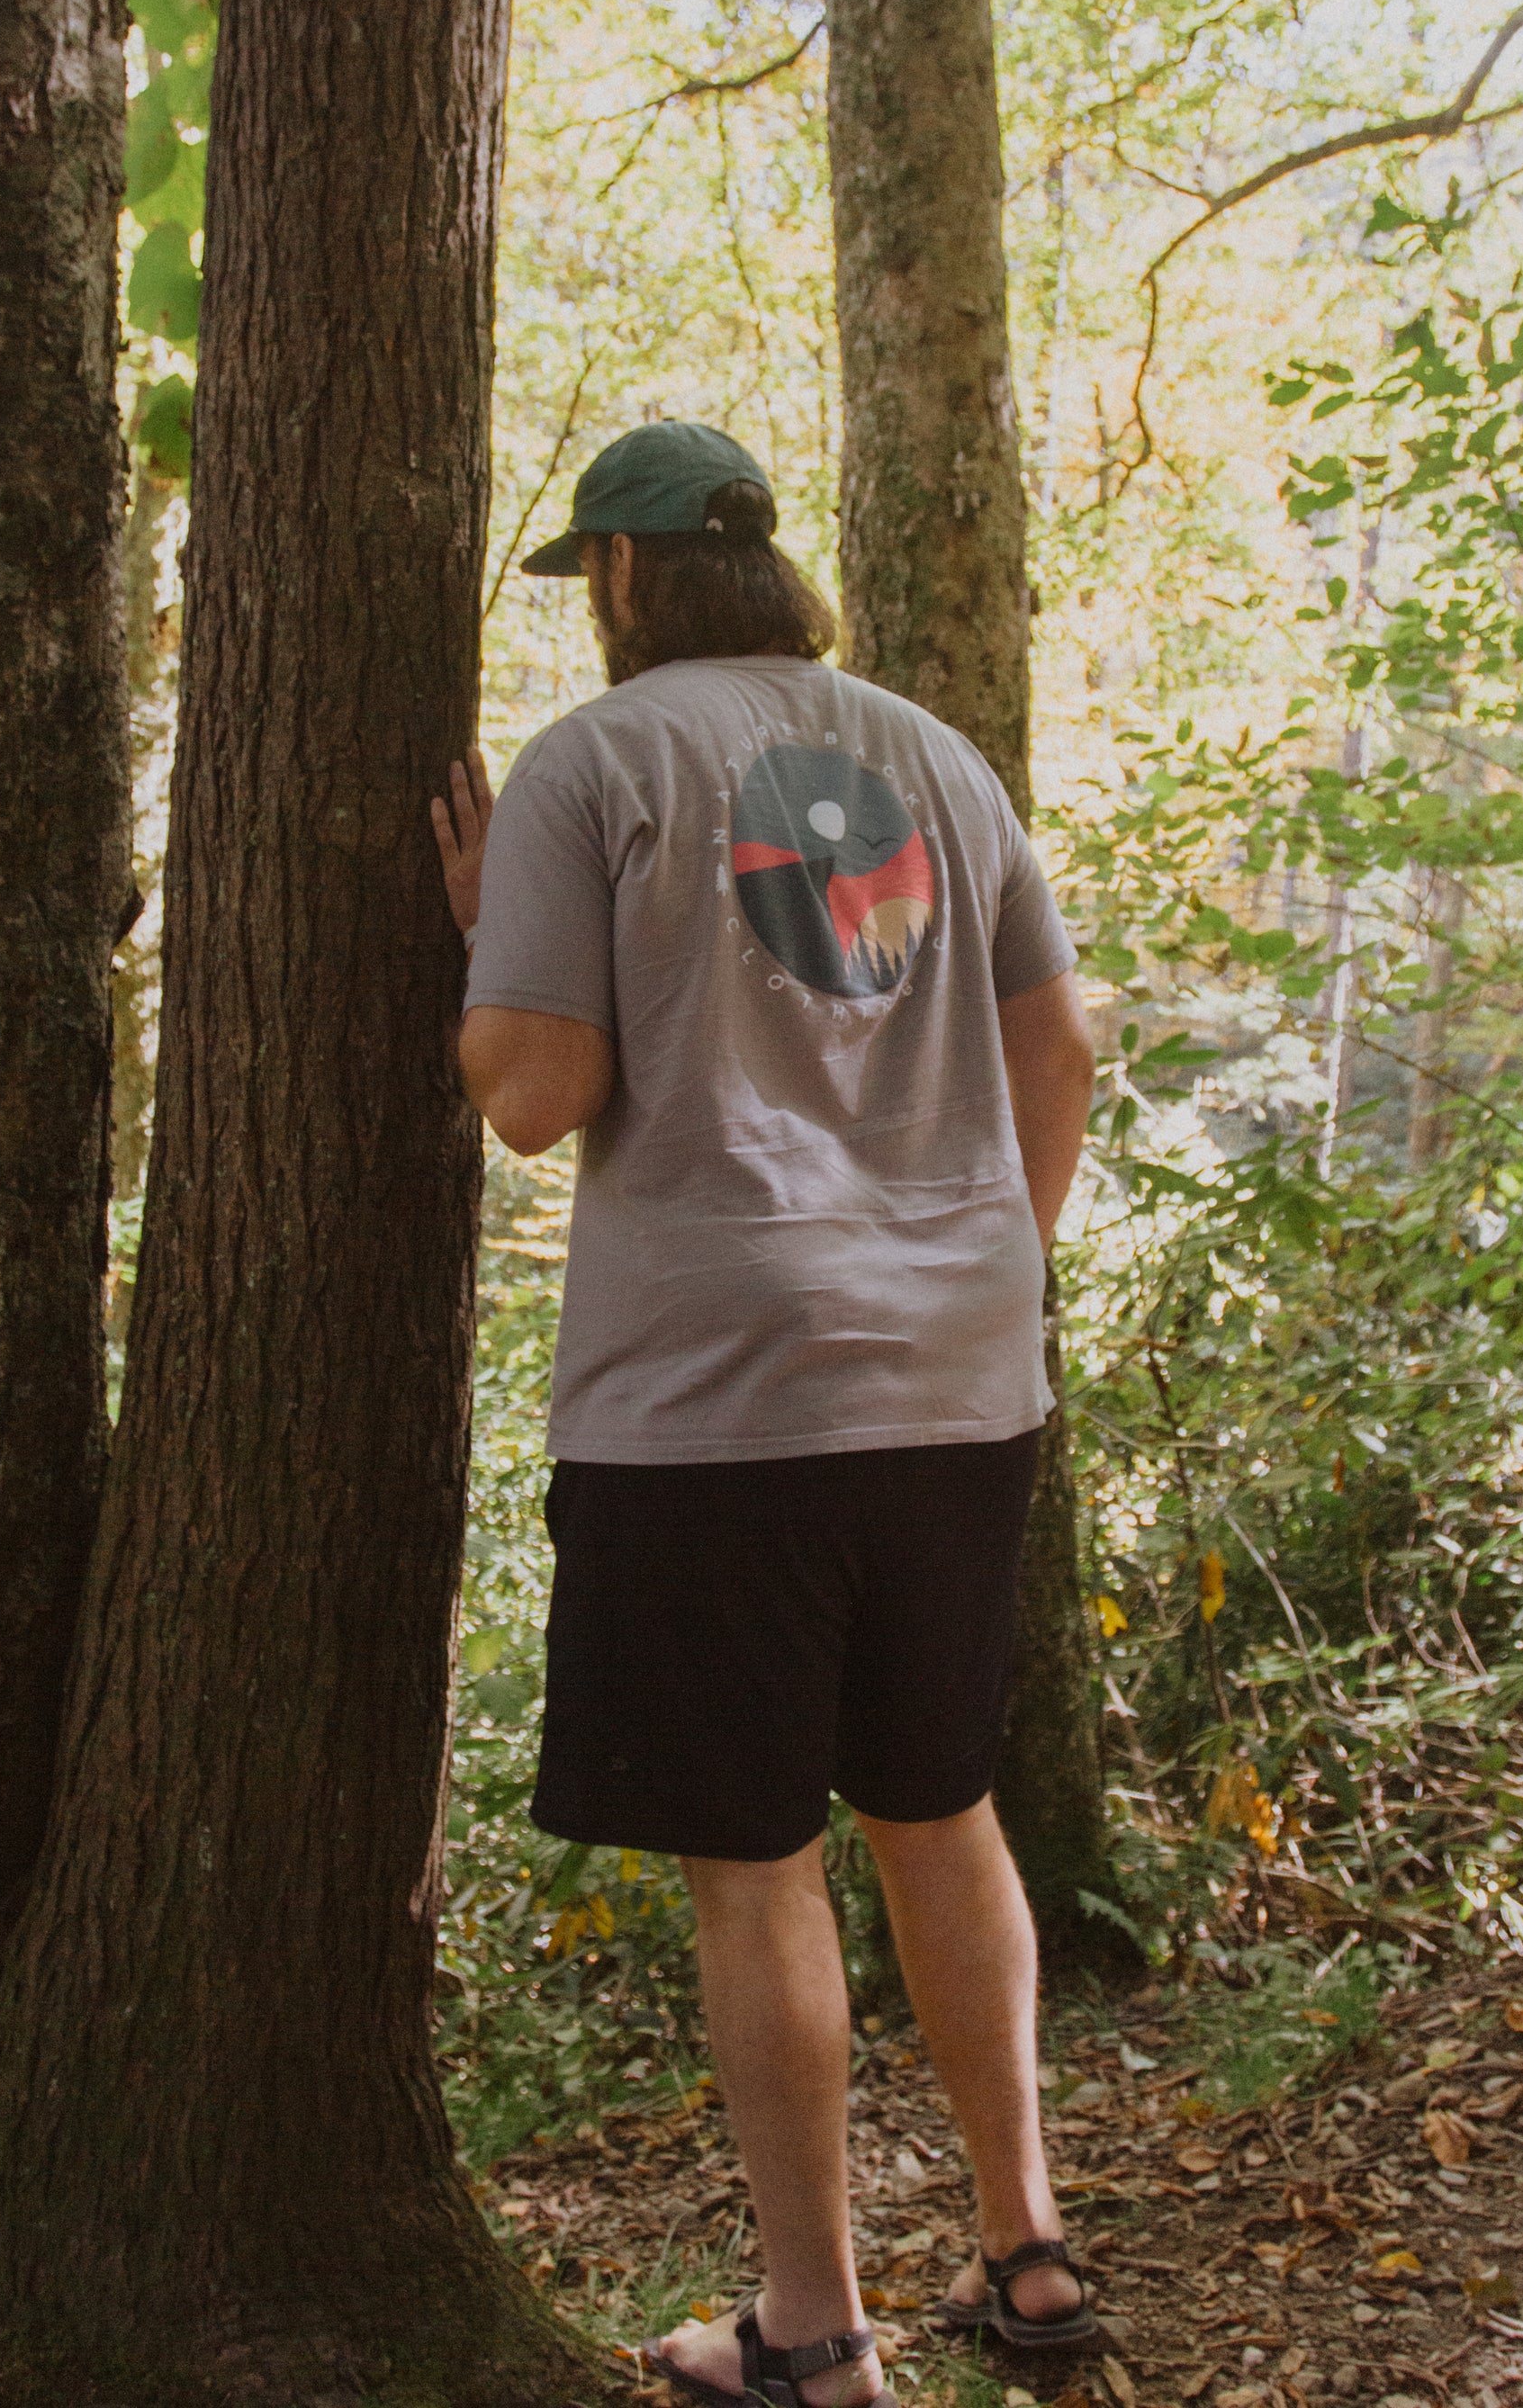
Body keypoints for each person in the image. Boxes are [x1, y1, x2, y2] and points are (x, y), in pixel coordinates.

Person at [431, 419, 1099, 2408]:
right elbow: (1062, 1045)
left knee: (755, 1861)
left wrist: (488, 937)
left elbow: (535, 1091)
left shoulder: (596, 765)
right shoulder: (937, 760)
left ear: (626, 576)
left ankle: (813, 2336)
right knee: (938, 1807)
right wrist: (984, 1262)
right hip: (957, 1380)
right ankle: (1031, 2258)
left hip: (720, 1396)